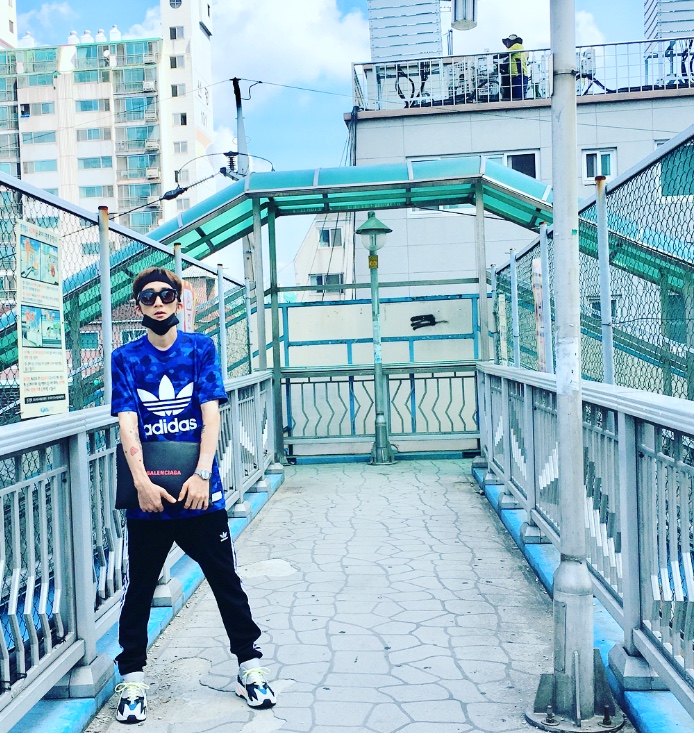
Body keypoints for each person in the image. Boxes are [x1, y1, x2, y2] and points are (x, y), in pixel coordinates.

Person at [111, 266, 276, 724]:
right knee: (140, 587)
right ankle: (132, 679)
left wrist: (203, 474)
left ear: (179, 300)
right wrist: (141, 483)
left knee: (225, 580)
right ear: (138, 305)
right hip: (150, 496)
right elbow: (127, 423)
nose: (158, 303)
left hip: (200, 493)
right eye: (148, 296)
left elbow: (210, 415)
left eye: (166, 294)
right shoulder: (125, 358)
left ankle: (250, 666)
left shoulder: (201, 348)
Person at [502, 34, 529, 100]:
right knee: (515, 97)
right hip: (517, 76)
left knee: (518, 97)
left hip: (519, 76)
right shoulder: (513, 54)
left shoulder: (517, 46)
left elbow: (504, 54)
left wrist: (493, 57)